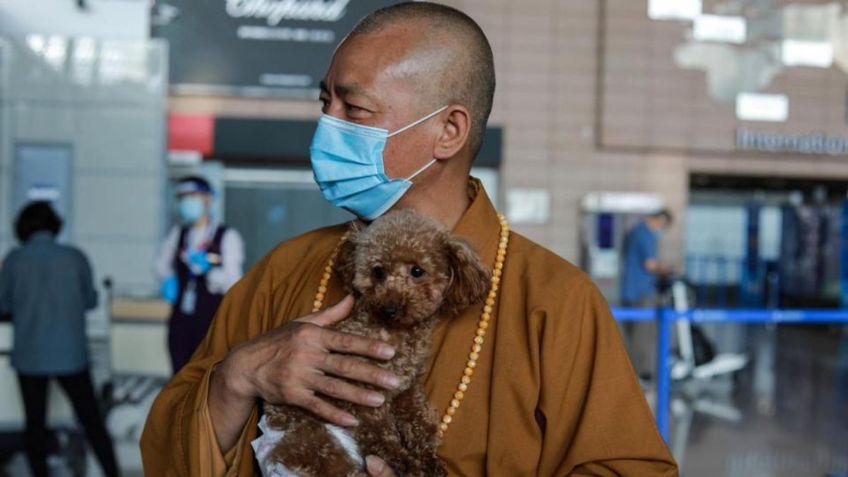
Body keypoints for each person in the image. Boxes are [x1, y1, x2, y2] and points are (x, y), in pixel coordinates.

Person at [141, 3, 678, 476]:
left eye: (354, 110)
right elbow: (167, 446)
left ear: (449, 131)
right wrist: (237, 379)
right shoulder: (288, 268)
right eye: (324, 103)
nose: (327, 125)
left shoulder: (553, 299)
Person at [0, 202, 120, 477]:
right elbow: (90, 300)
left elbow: (3, 304)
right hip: (71, 354)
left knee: (35, 422)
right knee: (91, 420)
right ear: (55, 225)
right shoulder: (75, 257)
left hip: (30, 355)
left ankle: (40, 472)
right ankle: (112, 472)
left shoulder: (15, 259)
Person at [154, 176, 245, 373]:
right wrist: (168, 279)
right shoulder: (179, 233)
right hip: (181, 319)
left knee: (207, 377)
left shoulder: (226, 236)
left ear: (208, 199)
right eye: (182, 197)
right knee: (179, 374)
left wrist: (209, 272)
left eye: (192, 196)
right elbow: (161, 263)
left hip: (211, 320)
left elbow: (234, 282)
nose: (187, 202)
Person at [620, 209, 674, 378]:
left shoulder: (634, 232)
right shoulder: (645, 234)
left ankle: (633, 370)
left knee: (633, 332)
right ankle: (641, 373)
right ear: (659, 220)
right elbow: (650, 264)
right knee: (641, 334)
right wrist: (666, 269)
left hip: (630, 289)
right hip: (641, 291)